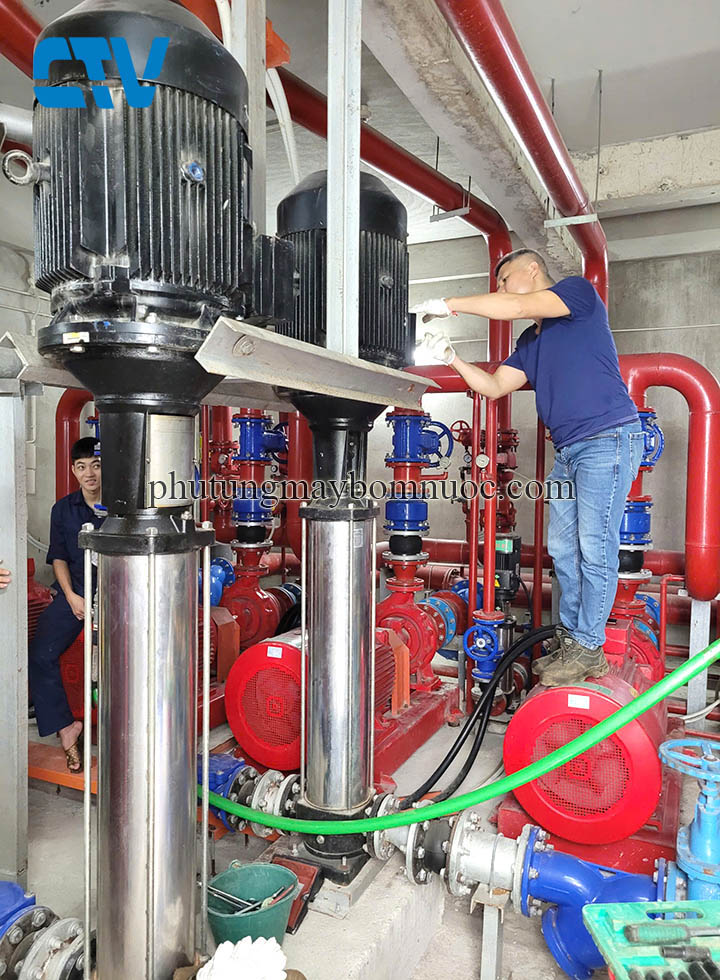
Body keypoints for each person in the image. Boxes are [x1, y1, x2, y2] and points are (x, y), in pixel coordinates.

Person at [412, 248, 645, 686]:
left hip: (608, 439)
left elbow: (516, 305)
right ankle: (573, 639)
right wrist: (450, 357)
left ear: (532, 269)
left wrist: (449, 304)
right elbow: (494, 386)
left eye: (504, 279)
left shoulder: (576, 295)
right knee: (563, 550)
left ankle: (589, 647)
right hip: (570, 451)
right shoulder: (529, 342)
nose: (501, 288)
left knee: (594, 547)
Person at [28, 437, 103, 772]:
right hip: (77, 592)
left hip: (121, 594)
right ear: (73, 470)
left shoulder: (121, 508)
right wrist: (71, 597)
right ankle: (67, 728)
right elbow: (58, 557)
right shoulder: (62, 510)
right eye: (82, 466)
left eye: (96, 465)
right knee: (40, 654)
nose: (90, 473)